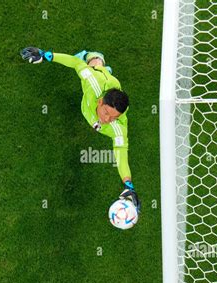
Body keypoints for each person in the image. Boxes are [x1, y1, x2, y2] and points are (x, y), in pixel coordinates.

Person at [21, 47, 140, 210]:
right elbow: (76, 63)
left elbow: (121, 154)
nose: (107, 119)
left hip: (101, 96)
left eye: (113, 117)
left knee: (107, 78)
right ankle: (96, 58)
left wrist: (128, 185)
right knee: (93, 65)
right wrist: (47, 55)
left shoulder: (118, 127)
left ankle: (105, 71)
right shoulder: (93, 84)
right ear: (100, 102)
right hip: (98, 80)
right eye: (106, 113)